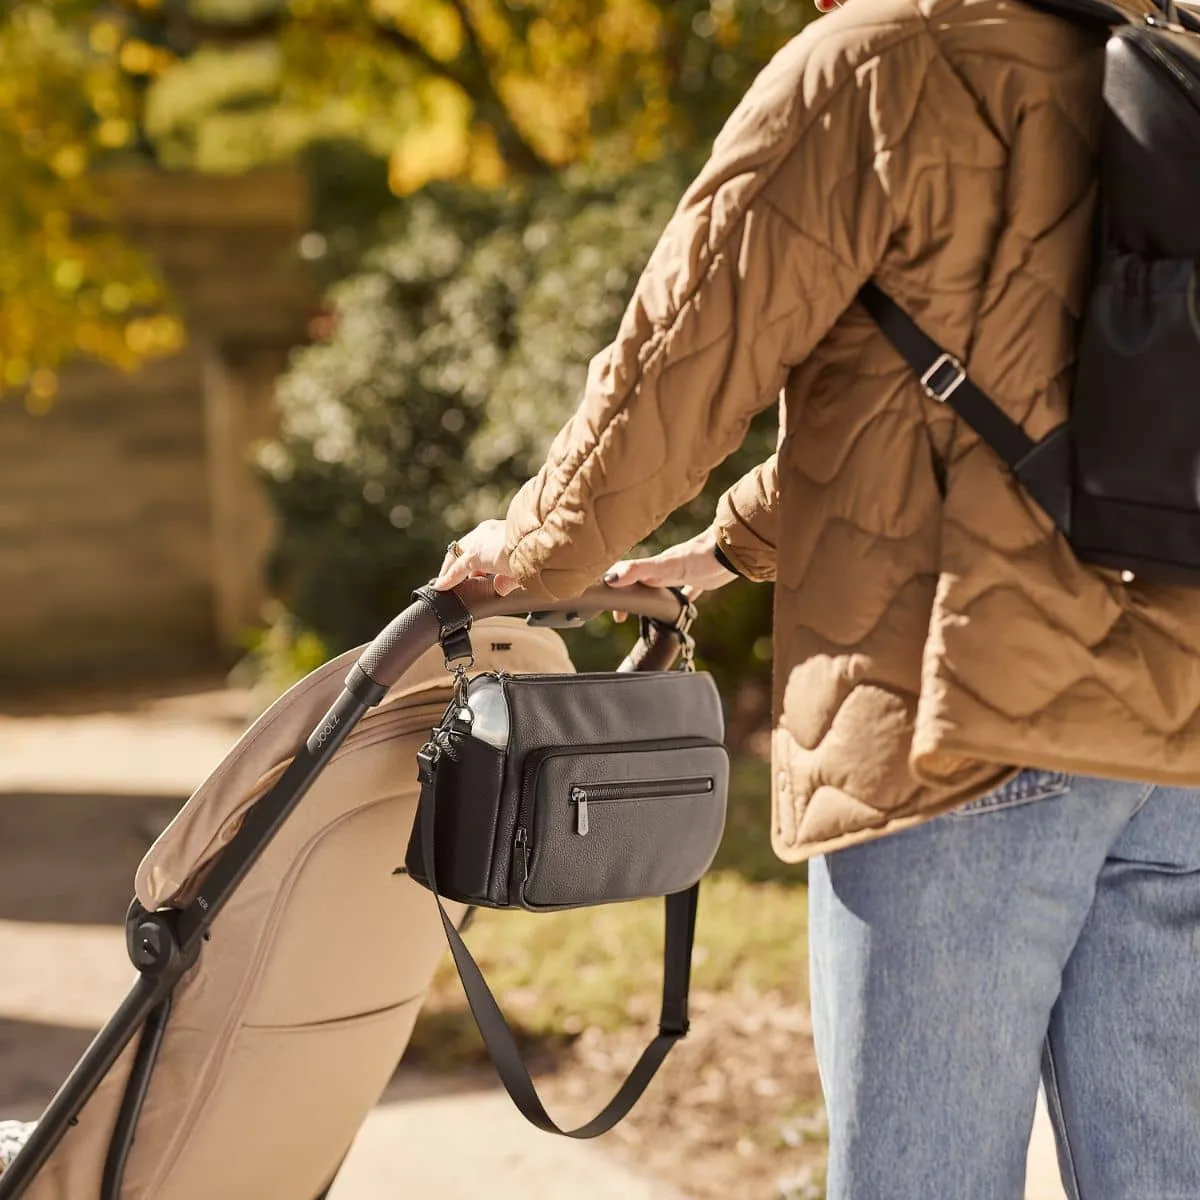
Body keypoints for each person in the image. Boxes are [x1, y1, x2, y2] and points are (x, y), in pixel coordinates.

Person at [433, 0, 1200, 1195]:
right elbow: (960, 403)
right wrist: (729, 550)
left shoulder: (878, 64)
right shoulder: (1153, 56)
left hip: (957, 723)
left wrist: (526, 556)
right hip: (1171, 731)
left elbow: (680, 361)